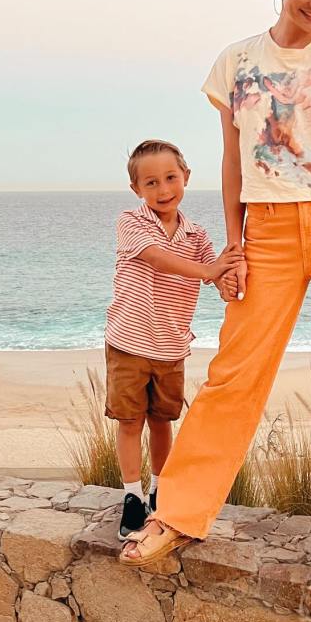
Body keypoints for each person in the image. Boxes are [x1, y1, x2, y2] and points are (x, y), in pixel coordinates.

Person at [121, 0, 311, 581]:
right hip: (267, 230)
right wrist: (234, 243)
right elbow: (232, 160)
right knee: (232, 375)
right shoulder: (236, 63)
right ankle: (178, 514)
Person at [105, 139, 242, 539]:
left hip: (171, 346)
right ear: (137, 190)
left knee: (162, 421)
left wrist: (232, 273)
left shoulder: (196, 235)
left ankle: (159, 489)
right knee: (130, 421)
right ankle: (131, 497)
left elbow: (218, 278)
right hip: (129, 341)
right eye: (151, 182)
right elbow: (158, 258)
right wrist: (209, 271)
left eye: (170, 178)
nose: (163, 189)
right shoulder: (131, 222)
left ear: (186, 177)